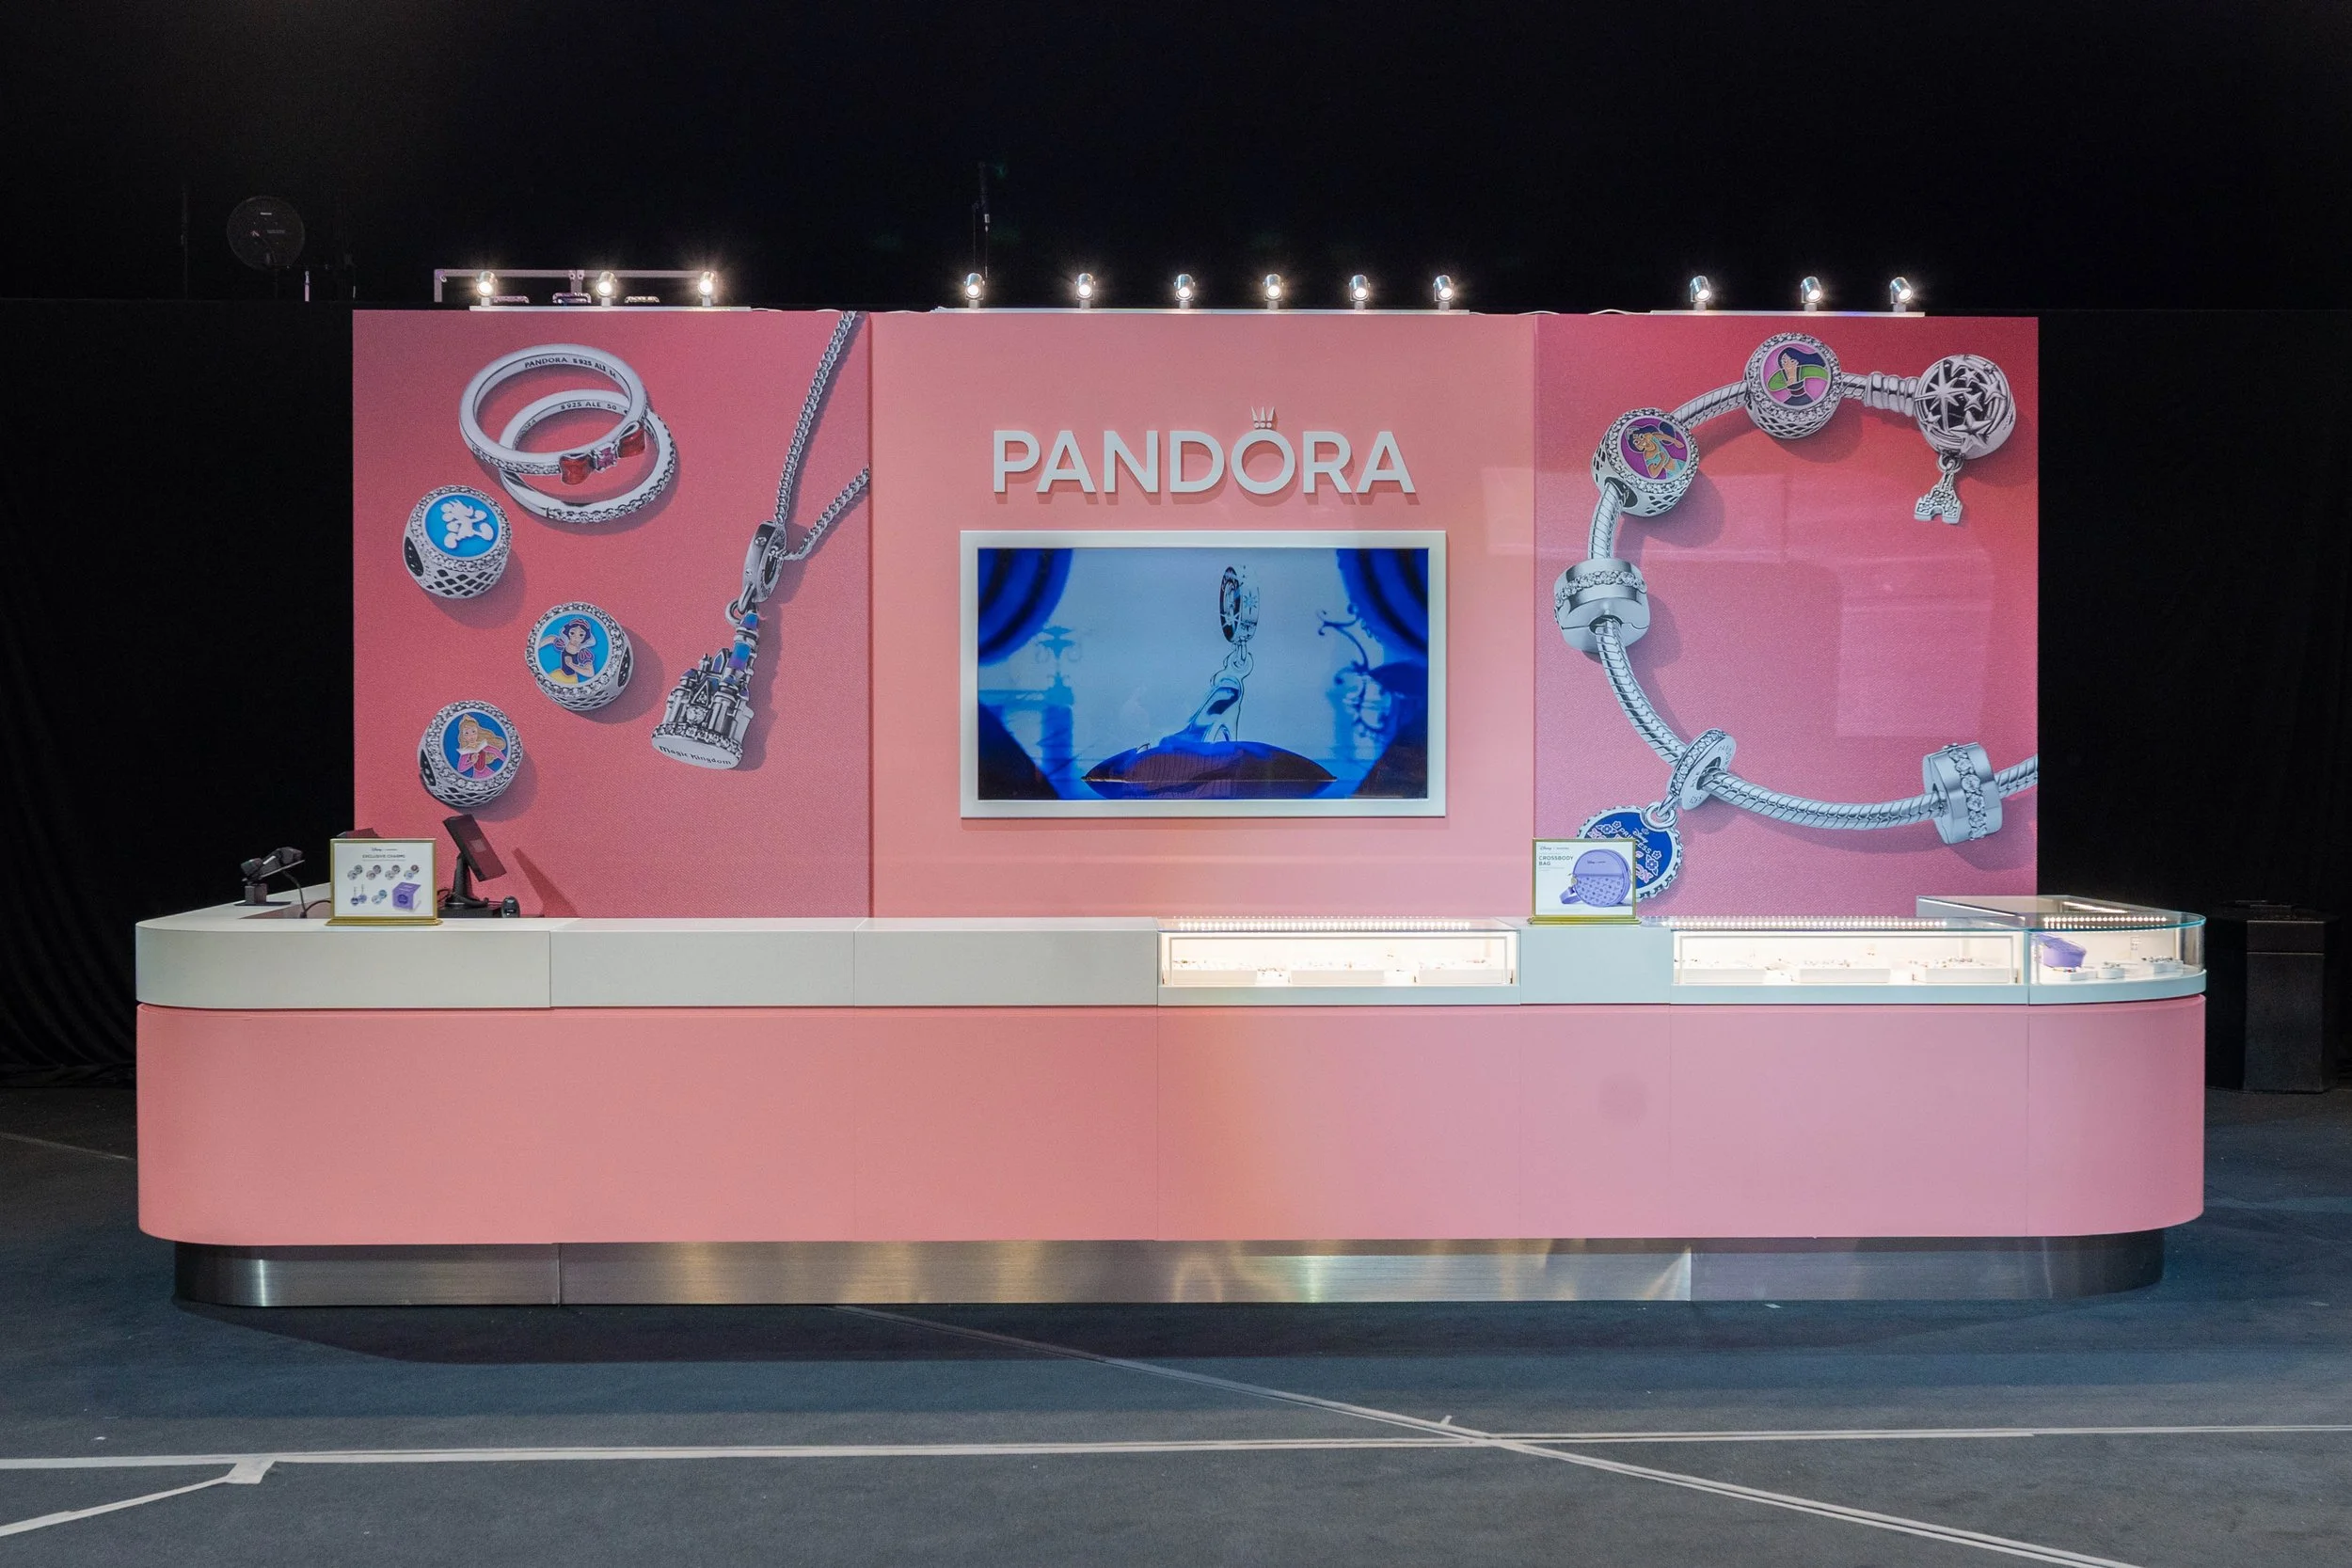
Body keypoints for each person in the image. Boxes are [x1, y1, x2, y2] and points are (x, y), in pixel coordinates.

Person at [539, 618, 598, 685]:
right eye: (572, 633)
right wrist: (536, 646)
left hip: (571, 679)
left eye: (581, 635)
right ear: (567, 632)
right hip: (559, 674)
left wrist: (571, 665)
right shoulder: (563, 644)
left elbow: (590, 673)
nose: (576, 637)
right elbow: (551, 638)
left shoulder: (583, 653)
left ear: (586, 637)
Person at [453, 714, 506, 779]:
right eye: (466, 733)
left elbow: (496, 751)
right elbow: (460, 769)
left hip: (488, 773)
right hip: (477, 776)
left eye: (473, 732)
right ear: (463, 736)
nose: (471, 736)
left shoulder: (482, 745)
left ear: (478, 732)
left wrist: (506, 761)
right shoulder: (466, 751)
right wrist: (472, 762)